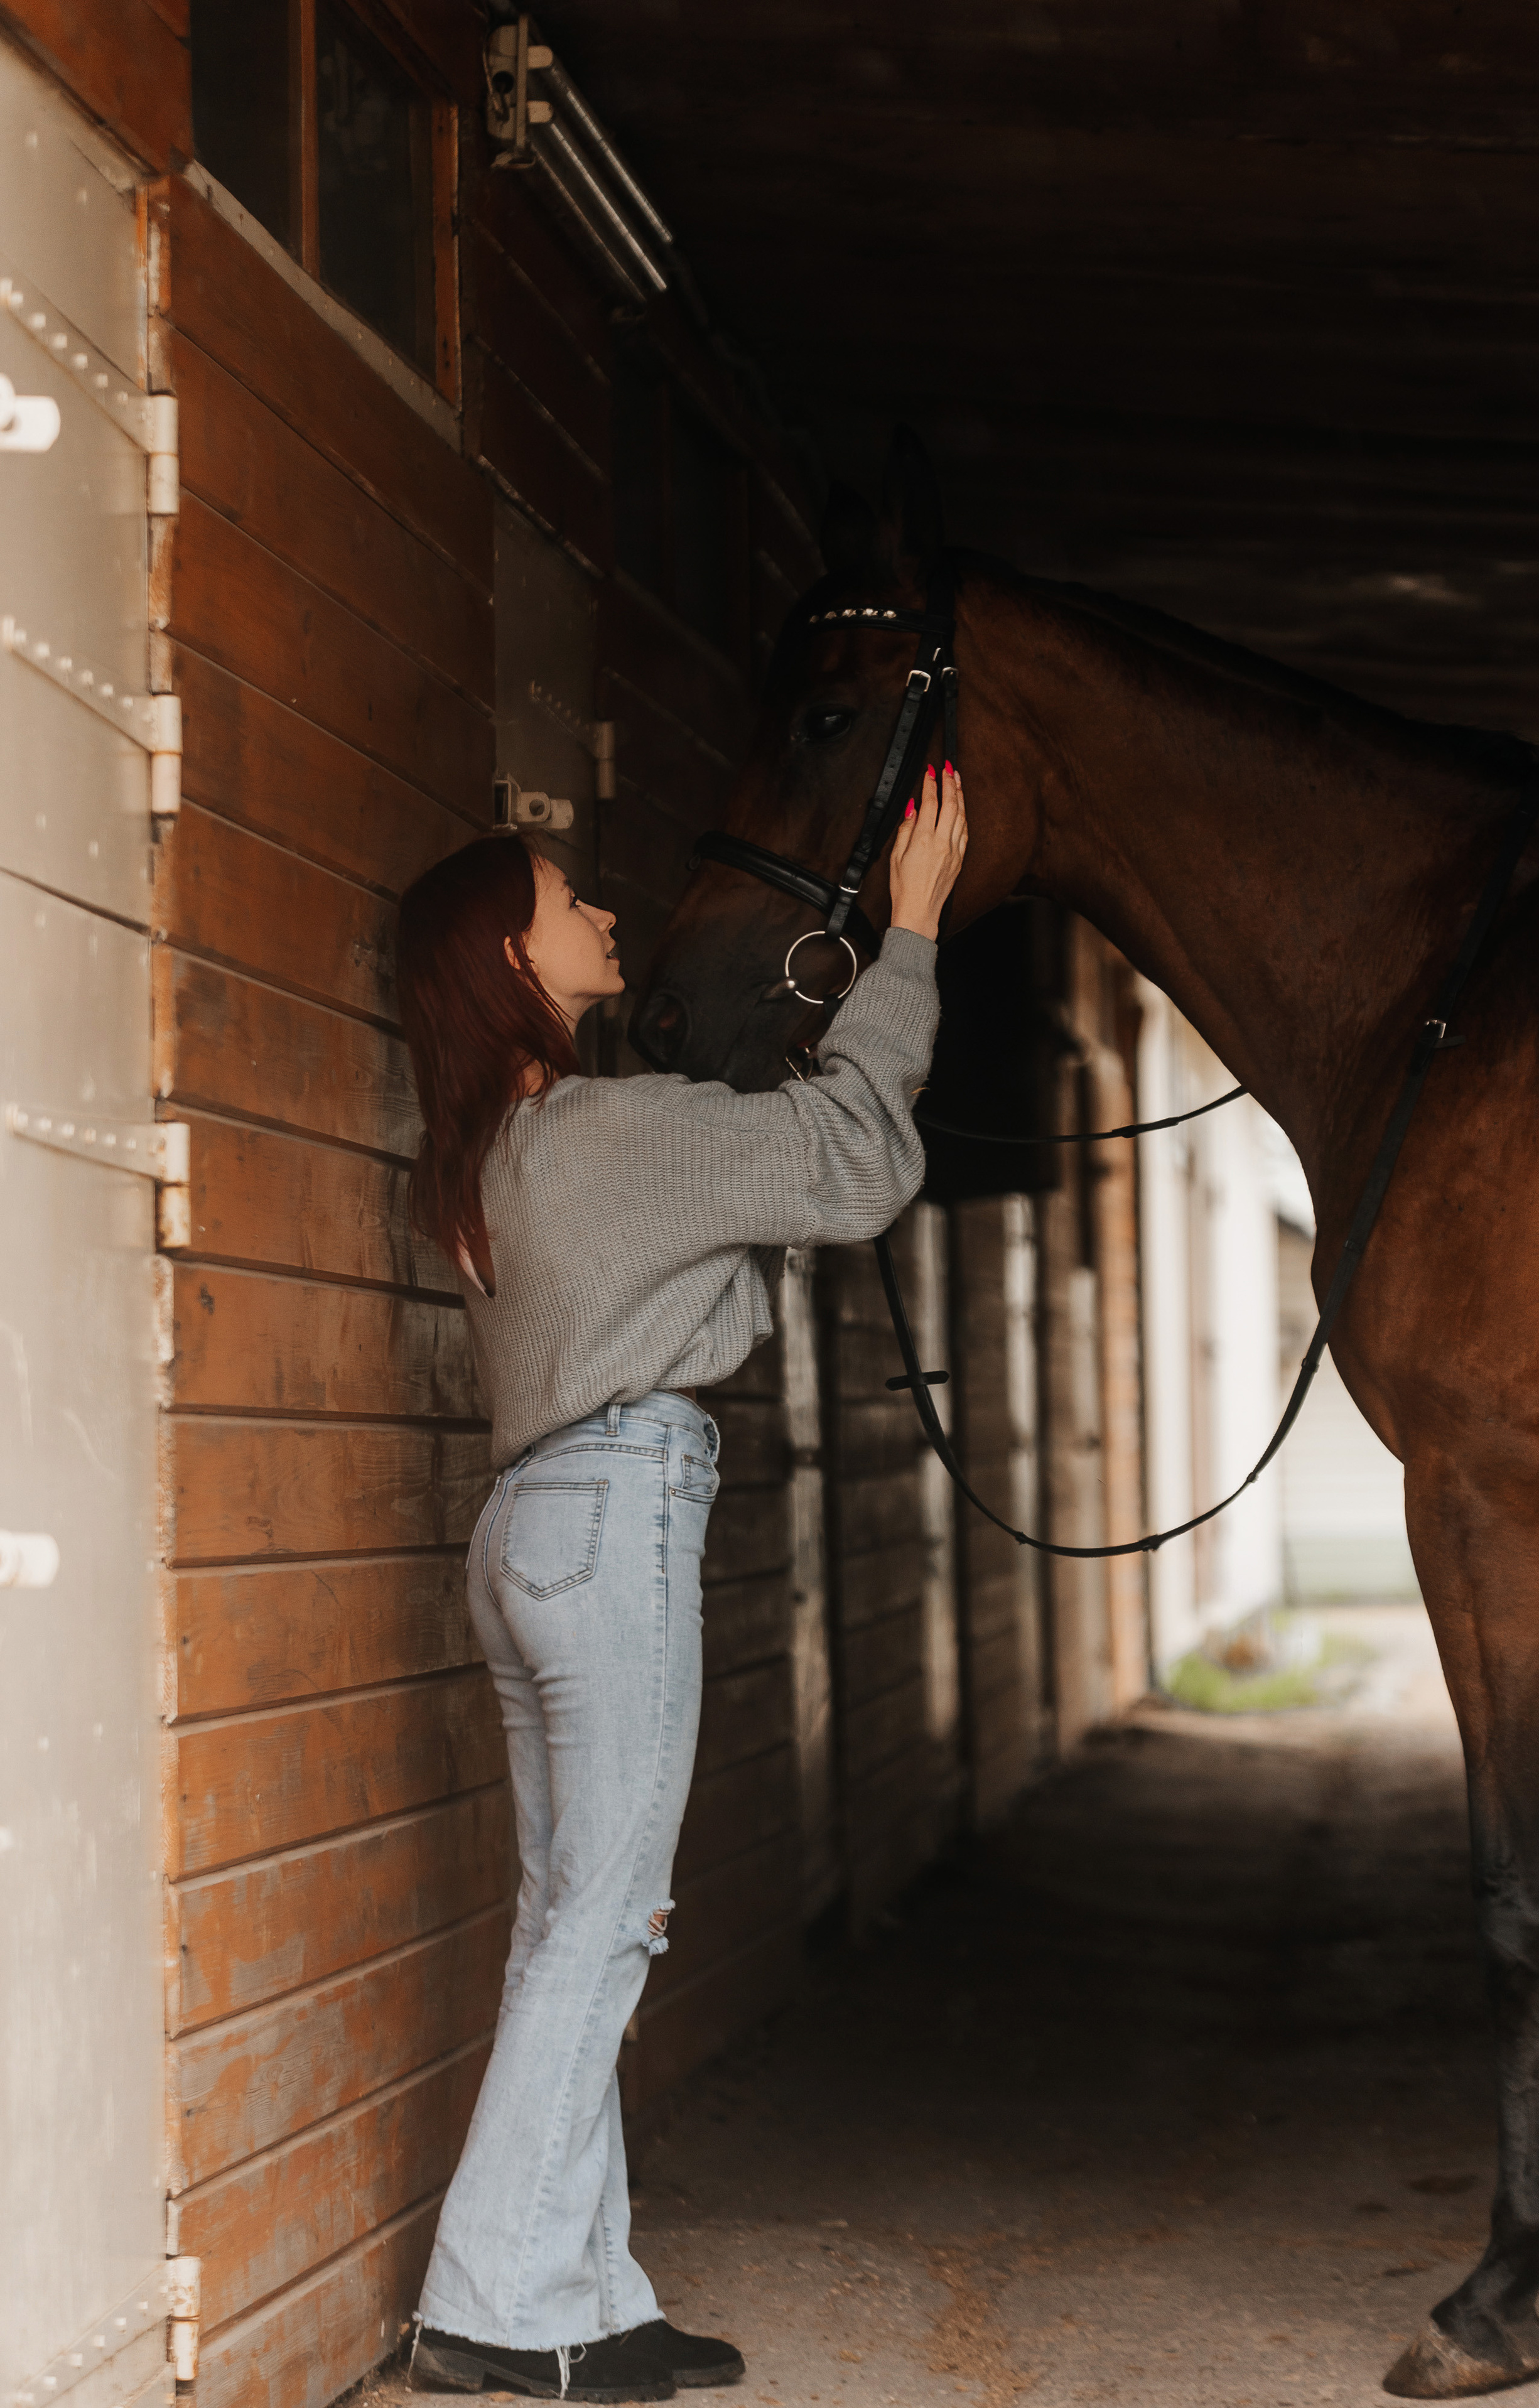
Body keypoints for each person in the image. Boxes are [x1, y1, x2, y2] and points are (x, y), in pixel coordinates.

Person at [394, 764, 968, 2404]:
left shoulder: (496, 1153)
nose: (604, 911)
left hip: (529, 1531)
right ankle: (490, 2302)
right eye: (566, 900)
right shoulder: (604, 1134)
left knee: (564, 1919)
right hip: (614, 1510)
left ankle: (580, 2292)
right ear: (514, 957)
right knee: (610, 1918)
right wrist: (914, 932)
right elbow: (853, 1157)